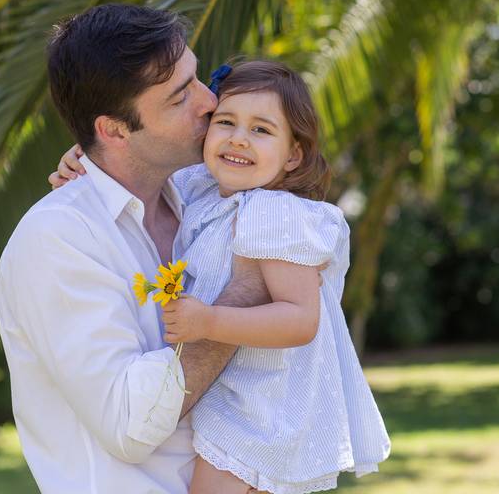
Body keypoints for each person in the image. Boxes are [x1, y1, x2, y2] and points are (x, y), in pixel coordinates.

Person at [52, 61, 391, 494]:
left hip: (265, 408)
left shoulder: (277, 212)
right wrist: (84, 162)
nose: (238, 138)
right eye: (225, 122)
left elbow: (300, 319)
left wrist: (209, 323)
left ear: (294, 154)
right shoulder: (203, 189)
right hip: (231, 395)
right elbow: (136, 164)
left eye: (261, 130)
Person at [0, 4, 272, 494]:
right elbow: (129, 424)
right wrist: (250, 289)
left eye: (198, 76)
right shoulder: (58, 239)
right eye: (179, 96)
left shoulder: (206, 195)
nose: (210, 102)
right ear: (114, 130)